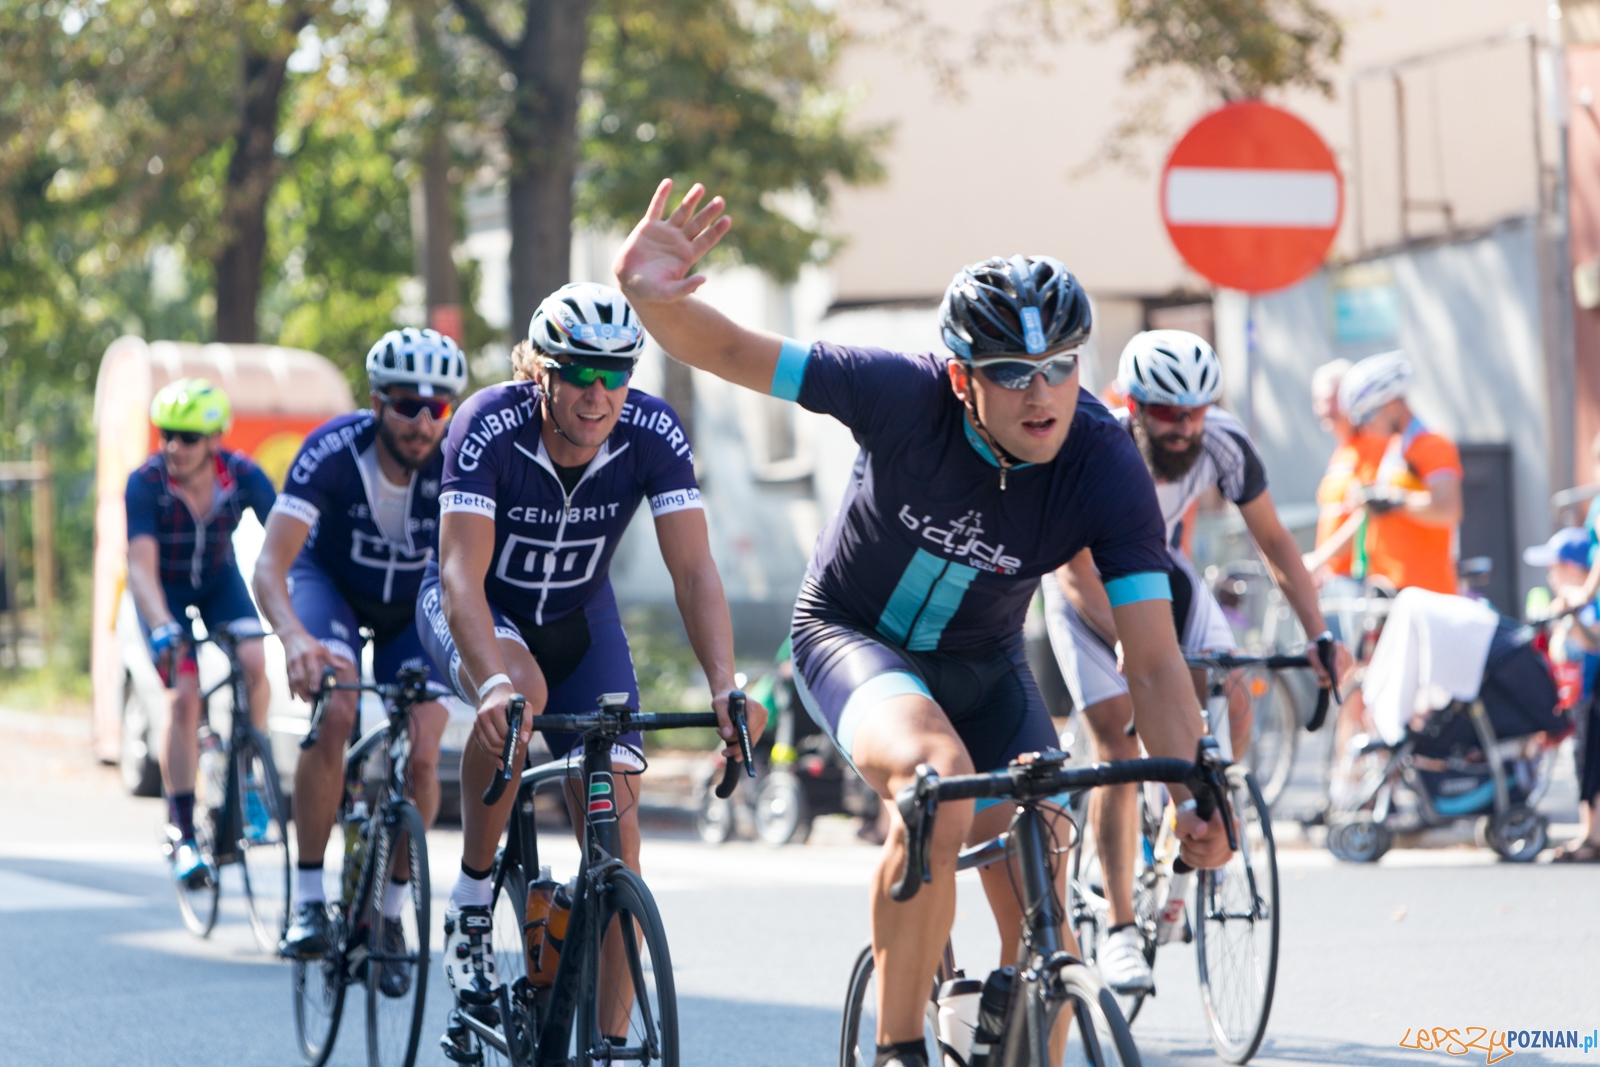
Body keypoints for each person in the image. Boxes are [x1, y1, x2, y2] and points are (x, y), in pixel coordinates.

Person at [611, 178, 1230, 1067]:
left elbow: (1157, 662)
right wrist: (648, 297)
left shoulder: (1104, 464)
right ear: (959, 377)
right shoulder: (898, 395)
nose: (1041, 391)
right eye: (1011, 373)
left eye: (1061, 362)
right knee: (937, 782)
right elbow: (733, 348)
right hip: (853, 639)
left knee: (1045, 856)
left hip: (985, 666)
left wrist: (1190, 792)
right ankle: (901, 1046)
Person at [420, 282, 760, 1031]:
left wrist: (724, 684)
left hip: (579, 615)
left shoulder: (652, 431)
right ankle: (474, 901)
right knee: (520, 698)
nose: (598, 394)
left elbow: (696, 571)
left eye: (617, 374)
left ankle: (606, 1042)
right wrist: (492, 685)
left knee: (620, 840)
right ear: (541, 371)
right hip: (483, 608)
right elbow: (458, 577)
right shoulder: (488, 424)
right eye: (579, 372)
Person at [1039, 329, 1343, 994]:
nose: (1185, 428)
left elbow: (1273, 541)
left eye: (1198, 411)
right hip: (1082, 581)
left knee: (1231, 694)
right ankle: (1120, 925)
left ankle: (1198, 820)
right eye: (1170, 414)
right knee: (1118, 741)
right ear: (1136, 404)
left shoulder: (1224, 440)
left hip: (1158, 567)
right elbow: (1073, 571)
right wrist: (1135, 643)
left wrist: (1320, 634)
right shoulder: (1098, 441)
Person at [253, 327, 467, 962]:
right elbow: (271, 565)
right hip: (333, 590)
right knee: (337, 708)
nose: (422, 422)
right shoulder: (332, 450)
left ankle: (391, 914)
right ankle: (310, 899)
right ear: (377, 403)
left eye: (437, 408)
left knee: (425, 751)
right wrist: (293, 638)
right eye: (406, 405)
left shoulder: (462, 457)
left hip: (414, 606)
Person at [124, 378, 276, 886]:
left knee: (254, 661)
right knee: (184, 697)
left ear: (214, 440)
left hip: (217, 583)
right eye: (166, 434)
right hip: (161, 591)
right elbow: (141, 568)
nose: (173, 446)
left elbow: (284, 540)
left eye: (188, 437)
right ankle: (182, 829)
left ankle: (250, 778)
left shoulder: (241, 475)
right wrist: (165, 625)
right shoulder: (145, 484)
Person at [1330, 352, 1464, 595]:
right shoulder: (1393, 447)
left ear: (1392, 405)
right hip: (1386, 589)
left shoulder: (1433, 445)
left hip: (1425, 593)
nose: (1365, 426)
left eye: (1368, 415)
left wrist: (1396, 501)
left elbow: (1449, 508)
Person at [1526, 527, 1600, 862]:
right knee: (1582, 763)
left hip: (1590, 691)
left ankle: (1593, 834)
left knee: (1590, 765)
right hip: (1577, 697)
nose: (1549, 576)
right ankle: (1590, 832)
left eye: (1554, 567)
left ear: (1573, 567)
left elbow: (1592, 641)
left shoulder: (1587, 603)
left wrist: (1570, 612)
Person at [1308, 358, 1387, 588]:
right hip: (1333, 580)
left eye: (1331, 400)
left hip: (1357, 580)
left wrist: (1318, 559)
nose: (1324, 409)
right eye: (1319, 401)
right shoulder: (1342, 452)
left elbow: (1368, 514)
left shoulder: (1372, 445)